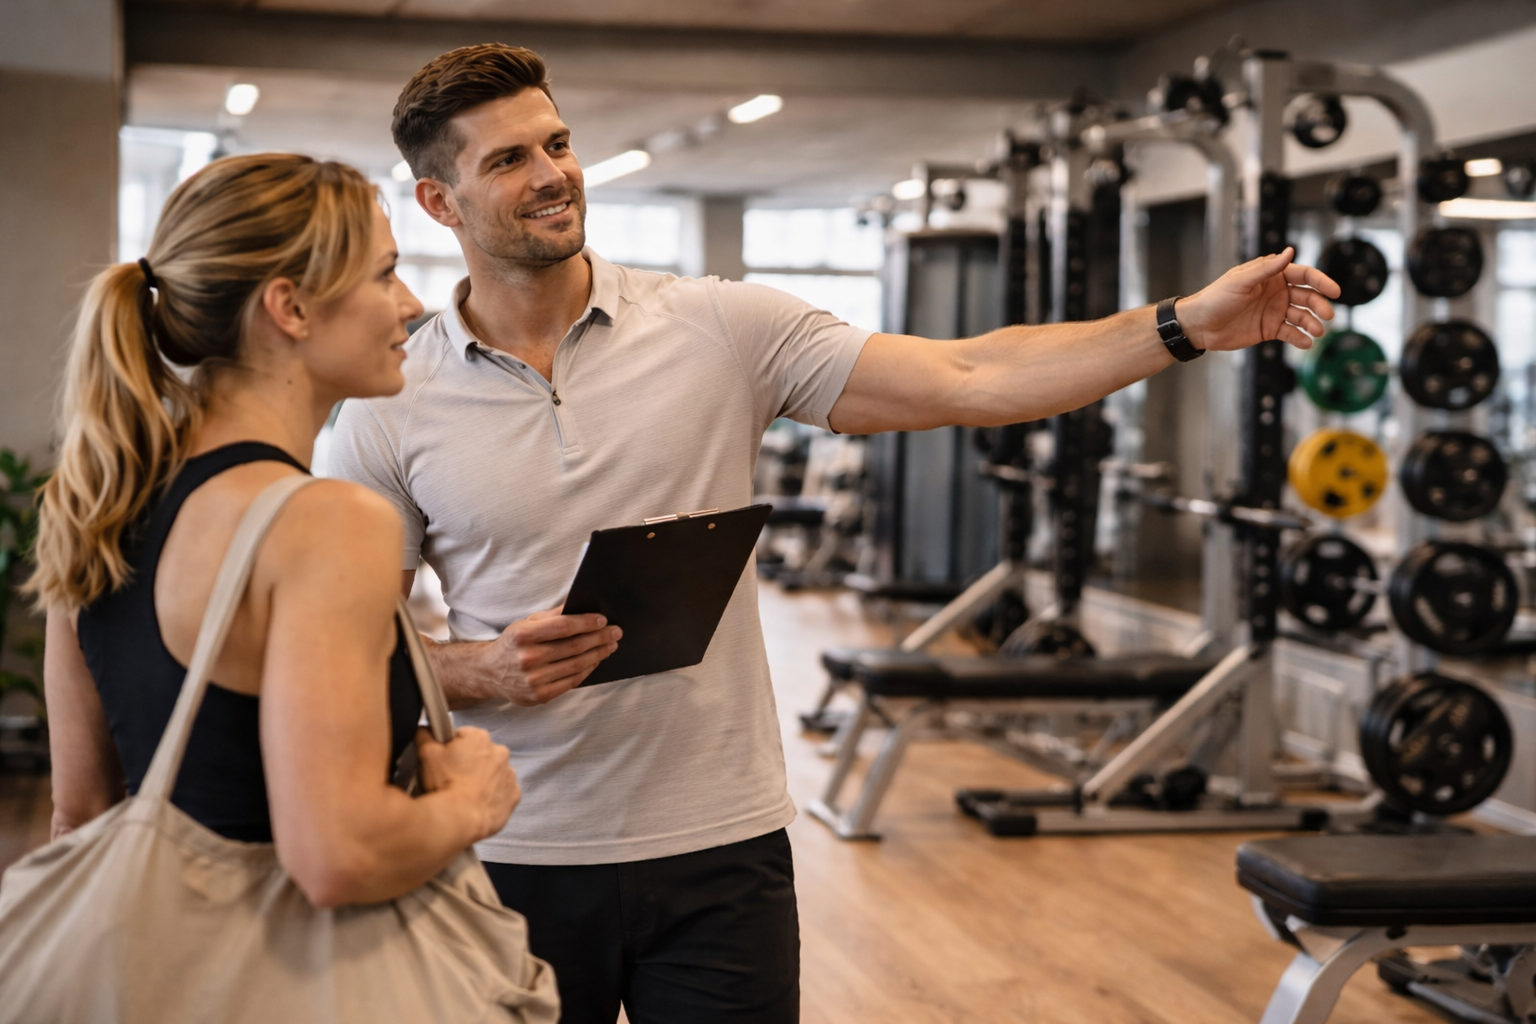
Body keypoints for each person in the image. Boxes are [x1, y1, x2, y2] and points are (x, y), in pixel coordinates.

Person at [328, 43, 1340, 1024]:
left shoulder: (718, 327)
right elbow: (343, 650)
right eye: (509, 159)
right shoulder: (389, 401)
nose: (553, 174)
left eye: (557, 143)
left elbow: (971, 375)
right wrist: (481, 669)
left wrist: (1184, 327)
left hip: (722, 842)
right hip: (511, 847)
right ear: (439, 202)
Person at [29, 153, 528, 912]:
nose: (410, 303)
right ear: (290, 308)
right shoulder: (325, 524)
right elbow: (336, 858)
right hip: (294, 966)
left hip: (157, 953)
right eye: (384, 274)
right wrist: (471, 801)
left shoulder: (96, 503)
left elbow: (78, 817)